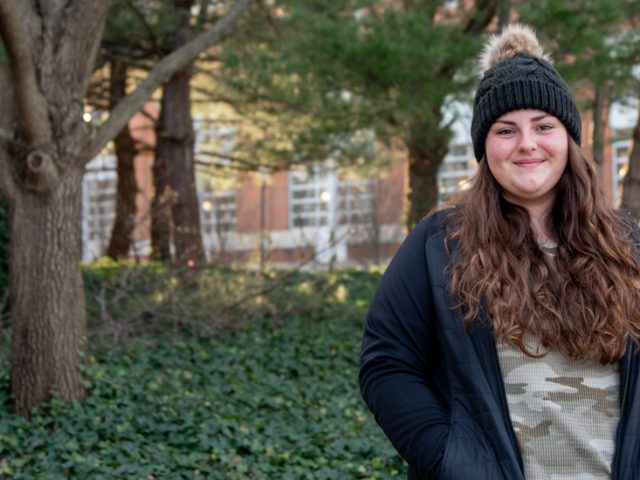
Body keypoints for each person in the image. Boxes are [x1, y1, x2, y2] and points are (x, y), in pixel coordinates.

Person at [359, 24, 640, 480]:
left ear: (568, 139)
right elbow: (387, 365)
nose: (527, 143)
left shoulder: (629, 245)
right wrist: (451, 460)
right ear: (484, 147)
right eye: (506, 129)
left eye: (544, 126)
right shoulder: (440, 245)